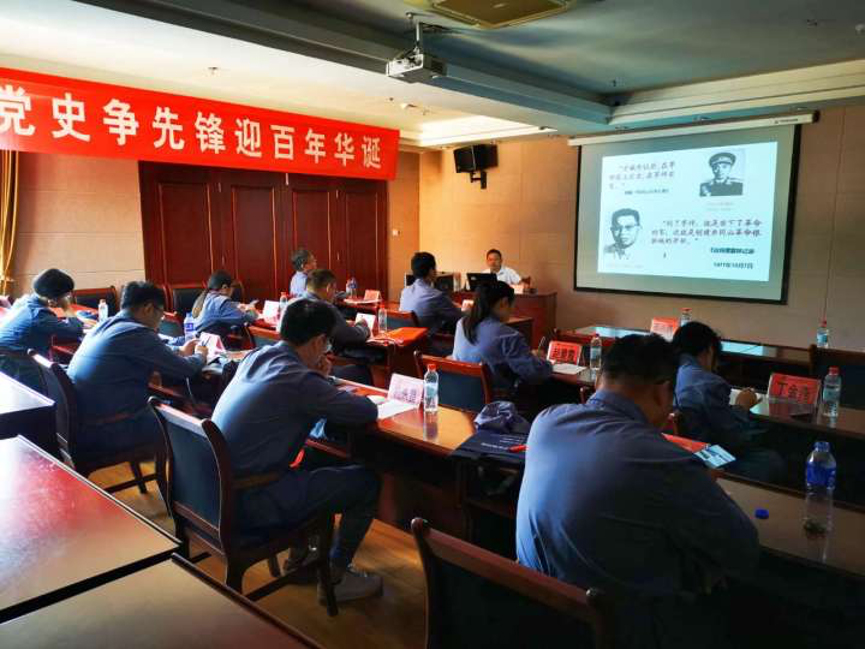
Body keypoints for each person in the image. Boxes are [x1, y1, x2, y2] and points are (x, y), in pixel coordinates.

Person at [516, 334, 758, 647]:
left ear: (601, 378)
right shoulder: (663, 460)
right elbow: (743, 551)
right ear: (662, 391)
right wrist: (697, 485)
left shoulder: (546, 422)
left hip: (540, 612)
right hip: (619, 631)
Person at [211, 299, 382, 603]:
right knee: (366, 483)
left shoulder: (258, 356)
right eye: (327, 343)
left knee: (316, 458)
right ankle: (335, 577)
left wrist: (318, 379)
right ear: (319, 341)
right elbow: (365, 411)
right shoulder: (300, 380)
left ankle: (302, 557)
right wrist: (320, 380)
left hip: (214, 492)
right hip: (252, 500)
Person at [67, 281, 207, 454]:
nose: (161, 319)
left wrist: (180, 351)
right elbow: (185, 370)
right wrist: (201, 355)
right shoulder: (137, 332)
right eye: (161, 313)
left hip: (86, 423)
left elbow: (146, 350)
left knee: (175, 405)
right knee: (192, 421)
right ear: (148, 308)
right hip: (111, 429)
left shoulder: (106, 324)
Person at [672, 321, 785, 483]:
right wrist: (742, 406)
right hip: (707, 456)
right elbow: (733, 439)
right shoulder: (710, 383)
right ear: (709, 350)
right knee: (772, 459)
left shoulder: (669, 372)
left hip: (678, 452)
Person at [453, 280, 551, 391]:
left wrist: (527, 356)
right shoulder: (509, 336)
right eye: (513, 304)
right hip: (496, 398)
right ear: (503, 302)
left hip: (461, 392)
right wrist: (545, 362)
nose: (513, 309)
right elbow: (535, 373)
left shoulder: (462, 324)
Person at [0, 268, 85, 391]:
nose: (67, 298)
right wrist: (67, 307)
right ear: (53, 298)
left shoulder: (25, 301)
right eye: (66, 296)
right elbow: (76, 331)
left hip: (10, 357)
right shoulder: (39, 314)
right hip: (15, 364)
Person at [291, 268, 377, 385]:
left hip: (296, 368)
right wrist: (363, 326)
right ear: (329, 287)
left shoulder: (292, 304)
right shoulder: (325, 308)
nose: (334, 294)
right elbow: (353, 336)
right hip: (317, 370)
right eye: (334, 289)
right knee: (362, 372)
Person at [399, 252, 463, 336]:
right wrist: (468, 309)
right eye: (435, 268)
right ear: (431, 271)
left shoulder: (405, 291)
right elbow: (459, 317)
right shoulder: (436, 295)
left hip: (409, 339)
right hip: (429, 341)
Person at [191, 270, 258, 337]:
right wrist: (251, 310)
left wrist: (237, 305)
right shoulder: (219, 302)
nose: (233, 290)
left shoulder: (207, 296)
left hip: (200, 339)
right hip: (209, 342)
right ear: (225, 287)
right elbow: (245, 318)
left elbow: (230, 304)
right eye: (232, 287)